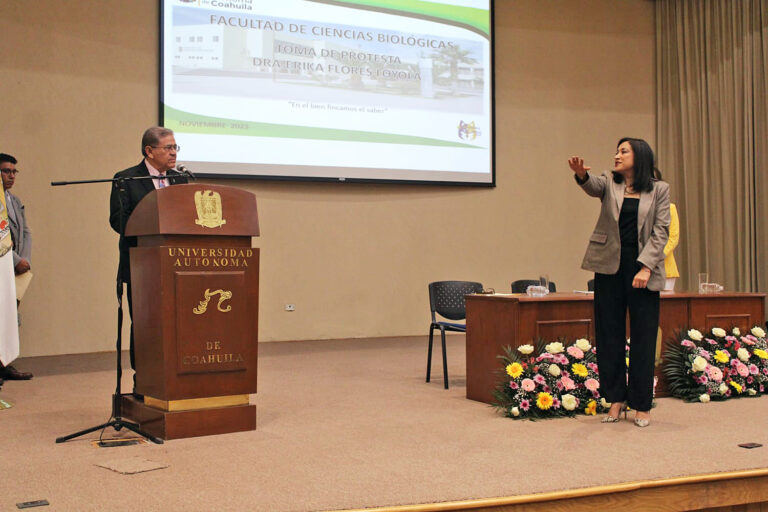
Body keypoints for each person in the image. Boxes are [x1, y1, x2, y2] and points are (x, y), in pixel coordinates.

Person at [569, 138, 670, 427]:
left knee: (643, 336)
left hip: (642, 269)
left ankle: (641, 404)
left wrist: (646, 267)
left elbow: (661, 231)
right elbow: (592, 186)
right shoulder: (609, 183)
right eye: (616, 150)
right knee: (608, 334)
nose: (617, 155)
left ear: (639, 156)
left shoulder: (659, 189)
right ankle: (615, 399)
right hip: (609, 267)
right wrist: (581, 175)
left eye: (623, 151)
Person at [109, 127, 188, 390]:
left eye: (176, 147)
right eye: (168, 148)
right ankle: (142, 381)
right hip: (142, 267)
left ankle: (174, 378)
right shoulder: (126, 179)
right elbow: (117, 220)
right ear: (149, 151)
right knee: (143, 325)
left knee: (176, 324)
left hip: (176, 266)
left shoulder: (179, 180)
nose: (174, 152)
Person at [0, 153, 33, 381]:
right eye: (5, 171)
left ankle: (5, 363)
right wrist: (14, 260)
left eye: (14, 171)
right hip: (4, 263)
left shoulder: (14, 199)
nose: (11, 176)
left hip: (17, 267)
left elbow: (26, 232)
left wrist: (25, 260)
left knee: (11, 316)